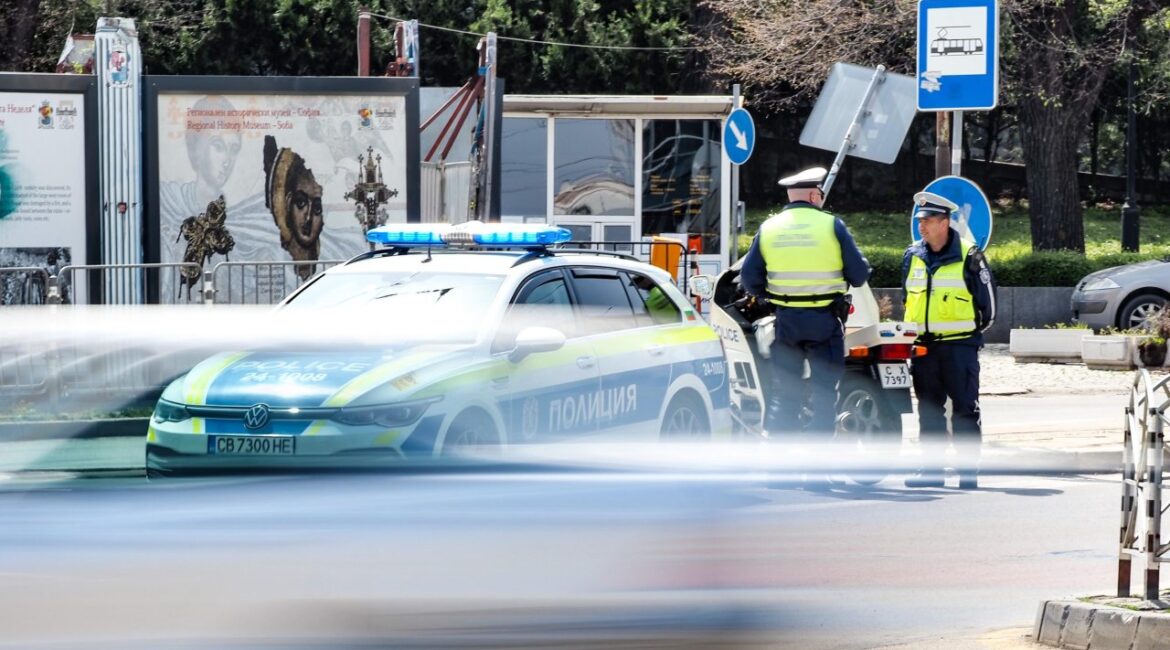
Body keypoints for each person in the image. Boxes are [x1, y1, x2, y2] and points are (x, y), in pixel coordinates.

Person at [740, 166, 871, 440]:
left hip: (786, 322)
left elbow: (749, 280)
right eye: (820, 195)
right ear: (813, 195)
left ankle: (781, 471)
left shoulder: (769, 228)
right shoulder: (832, 225)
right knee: (824, 399)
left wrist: (773, 294)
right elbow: (859, 275)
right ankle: (817, 476)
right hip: (825, 322)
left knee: (785, 397)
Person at [901, 191, 997, 489]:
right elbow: (908, 299)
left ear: (945, 222)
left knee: (965, 409)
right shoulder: (912, 255)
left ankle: (968, 472)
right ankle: (932, 472)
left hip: (959, 346)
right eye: (920, 220)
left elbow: (989, 307)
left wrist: (968, 337)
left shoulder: (970, 256)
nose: (922, 225)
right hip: (924, 348)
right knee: (929, 410)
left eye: (928, 220)